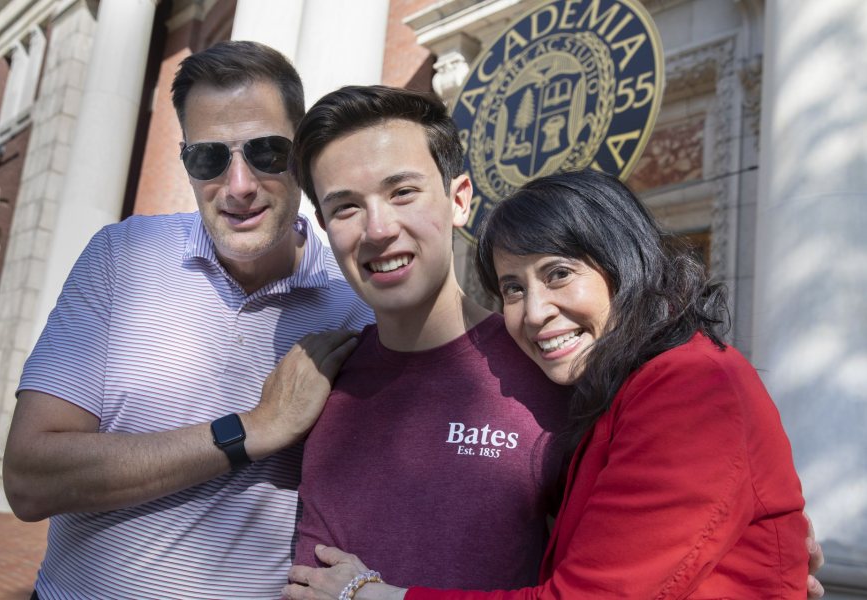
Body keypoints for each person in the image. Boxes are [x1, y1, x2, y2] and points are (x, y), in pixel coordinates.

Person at [284, 168, 816, 599]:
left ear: (623, 263)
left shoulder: (691, 385)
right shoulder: (616, 388)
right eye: (513, 288)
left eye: (559, 273)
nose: (535, 312)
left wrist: (371, 593)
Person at [1, 41, 373, 599]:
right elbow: (29, 478)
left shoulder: (355, 307)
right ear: (186, 162)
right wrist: (253, 428)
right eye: (209, 158)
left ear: (303, 153)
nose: (240, 185)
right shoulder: (121, 255)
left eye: (267, 151)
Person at [286, 85, 573, 590]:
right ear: (326, 227)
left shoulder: (549, 373)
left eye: (402, 193)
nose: (378, 229)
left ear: (459, 200)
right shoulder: (314, 380)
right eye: (346, 207)